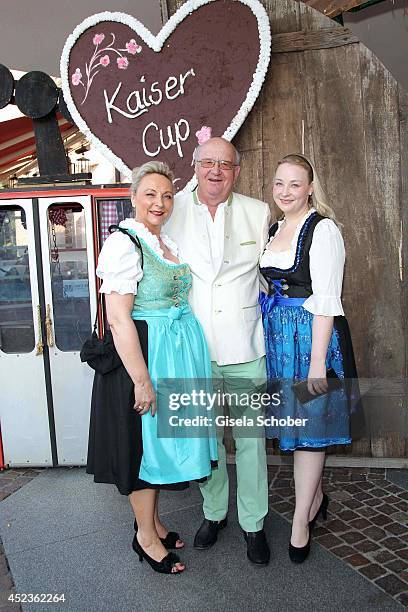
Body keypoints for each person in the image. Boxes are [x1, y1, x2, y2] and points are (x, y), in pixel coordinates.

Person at [86, 161, 217, 575]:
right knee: (141, 449)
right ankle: (144, 537)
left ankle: (154, 522)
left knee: (158, 449)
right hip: (142, 359)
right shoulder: (124, 243)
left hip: (173, 354)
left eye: (166, 195)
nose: (159, 203)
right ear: (133, 196)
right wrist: (142, 381)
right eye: (150, 194)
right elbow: (120, 318)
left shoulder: (165, 241)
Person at [165, 137, 271, 565]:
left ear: (237, 171)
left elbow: (269, 276)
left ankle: (254, 523)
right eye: (207, 162)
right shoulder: (172, 210)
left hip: (246, 344)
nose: (215, 171)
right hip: (192, 350)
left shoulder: (258, 212)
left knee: (251, 440)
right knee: (205, 438)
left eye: (224, 164)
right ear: (194, 166)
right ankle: (214, 513)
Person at [259, 153, 359, 563]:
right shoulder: (274, 227)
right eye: (279, 183)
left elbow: (326, 302)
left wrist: (317, 365)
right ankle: (315, 497)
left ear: (311, 188)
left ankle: (301, 520)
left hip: (312, 341)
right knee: (295, 429)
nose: (285, 192)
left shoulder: (323, 230)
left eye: (295, 184)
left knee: (309, 432)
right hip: (280, 340)